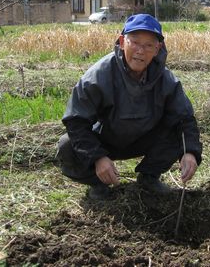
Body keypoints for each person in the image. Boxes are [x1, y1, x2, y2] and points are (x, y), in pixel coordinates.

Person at [56, 14, 202, 200]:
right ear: (122, 41)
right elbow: (76, 121)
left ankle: (149, 178)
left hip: (146, 138)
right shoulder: (98, 76)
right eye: (135, 42)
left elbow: (185, 119)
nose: (141, 51)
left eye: (149, 45)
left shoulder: (167, 80)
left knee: (178, 133)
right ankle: (97, 184)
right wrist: (97, 158)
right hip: (106, 140)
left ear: (158, 49)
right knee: (67, 145)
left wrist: (190, 152)